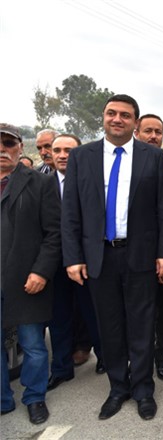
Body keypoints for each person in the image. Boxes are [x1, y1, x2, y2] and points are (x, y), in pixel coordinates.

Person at [61, 94, 163, 421]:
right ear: (103, 117)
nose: (117, 119)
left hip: (141, 255)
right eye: (112, 113)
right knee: (109, 326)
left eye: (125, 115)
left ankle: (143, 389)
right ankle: (118, 387)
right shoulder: (82, 156)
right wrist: (73, 257)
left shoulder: (153, 157)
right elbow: (71, 211)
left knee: (141, 325)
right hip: (99, 256)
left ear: (135, 122)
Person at [0, 123, 60, 424]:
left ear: (20, 147)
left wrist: (41, 272)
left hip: (27, 280)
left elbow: (54, 233)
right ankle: (3, 399)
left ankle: (35, 397)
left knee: (33, 345)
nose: (2, 149)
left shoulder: (39, 183)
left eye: (8, 143)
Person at [47, 134, 105, 393]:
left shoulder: (93, 181)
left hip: (86, 262)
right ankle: (61, 368)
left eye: (68, 150)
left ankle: (104, 357)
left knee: (94, 313)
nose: (62, 155)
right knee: (59, 318)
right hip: (54, 264)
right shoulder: (42, 184)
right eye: (57, 150)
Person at [134, 114, 163, 381]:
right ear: (137, 132)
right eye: (148, 130)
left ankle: (161, 356)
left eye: (158, 132)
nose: (153, 136)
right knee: (139, 314)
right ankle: (140, 360)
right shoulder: (127, 164)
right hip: (136, 254)